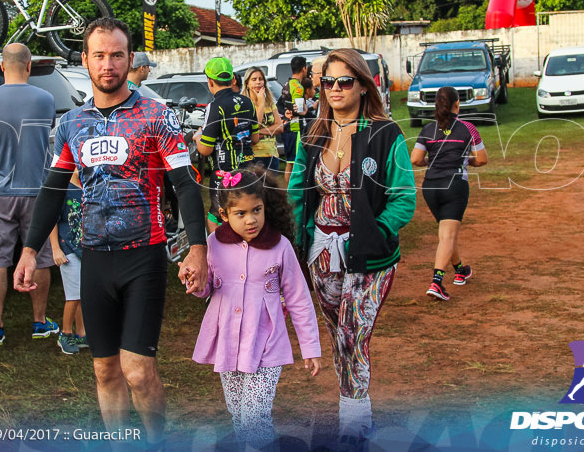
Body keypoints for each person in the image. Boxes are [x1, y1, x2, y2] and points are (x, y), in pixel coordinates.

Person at [13, 17, 208, 444]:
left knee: (138, 371)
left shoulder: (157, 116)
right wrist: (30, 251)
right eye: (99, 55)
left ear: (130, 59)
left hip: (144, 255)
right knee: (104, 369)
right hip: (94, 259)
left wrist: (198, 248)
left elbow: (185, 185)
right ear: (84, 60)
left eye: (117, 55)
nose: (108, 64)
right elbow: (51, 191)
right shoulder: (71, 123)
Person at [287, 48, 416, 445]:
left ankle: (355, 420)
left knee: (352, 334)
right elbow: (296, 191)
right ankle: (353, 407)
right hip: (322, 255)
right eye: (328, 82)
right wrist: (296, 240)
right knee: (337, 337)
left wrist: (373, 231)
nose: (335, 89)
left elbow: (404, 197)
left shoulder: (385, 134)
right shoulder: (311, 135)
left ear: (362, 85)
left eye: (345, 81)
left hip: (371, 256)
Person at [191, 167, 321, 450]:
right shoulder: (213, 245)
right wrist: (195, 282)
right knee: (238, 413)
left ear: (265, 207)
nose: (251, 220)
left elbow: (299, 299)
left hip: (266, 346)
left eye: (257, 210)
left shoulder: (281, 247)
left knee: (254, 416)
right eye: (241, 213)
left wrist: (310, 347)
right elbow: (206, 288)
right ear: (223, 215)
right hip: (228, 344)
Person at [0, 43, 57, 343]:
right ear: (29, 65)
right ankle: (39, 321)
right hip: (36, 189)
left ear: (2, 67)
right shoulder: (45, 99)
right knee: (41, 256)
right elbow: (46, 131)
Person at [410, 86, 488, 302]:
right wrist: (465, 160)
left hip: (430, 187)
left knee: (446, 231)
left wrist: (431, 161)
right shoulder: (468, 129)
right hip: (454, 186)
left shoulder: (427, 130)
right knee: (447, 235)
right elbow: (481, 159)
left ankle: (460, 270)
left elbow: (415, 159)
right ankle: (437, 282)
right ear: (457, 105)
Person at [194, 56, 260, 233]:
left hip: (225, 174)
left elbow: (205, 149)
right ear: (232, 79)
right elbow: (255, 139)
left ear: (210, 81)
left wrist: (198, 136)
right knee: (245, 214)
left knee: (217, 216)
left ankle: (221, 257)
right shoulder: (248, 102)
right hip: (248, 171)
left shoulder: (214, 106)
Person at [48, 170, 88, 355]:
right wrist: (55, 248)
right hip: (67, 249)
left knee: (82, 294)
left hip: (84, 250)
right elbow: (51, 221)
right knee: (73, 297)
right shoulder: (63, 189)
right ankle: (65, 333)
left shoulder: (87, 187)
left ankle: (81, 333)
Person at [244, 67, 283, 175]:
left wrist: (259, 132)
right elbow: (256, 124)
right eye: (254, 79)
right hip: (254, 156)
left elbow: (280, 127)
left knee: (271, 190)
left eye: (261, 79)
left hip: (271, 155)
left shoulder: (269, 102)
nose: (258, 82)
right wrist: (260, 103)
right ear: (247, 83)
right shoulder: (245, 104)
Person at [278, 56, 308, 183]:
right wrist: (306, 111)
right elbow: (299, 109)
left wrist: (286, 112)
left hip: (287, 127)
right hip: (296, 129)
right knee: (296, 164)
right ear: (304, 69)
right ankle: (293, 191)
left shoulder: (286, 84)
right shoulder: (298, 87)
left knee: (289, 164)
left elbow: (279, 105)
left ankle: (288, 192)